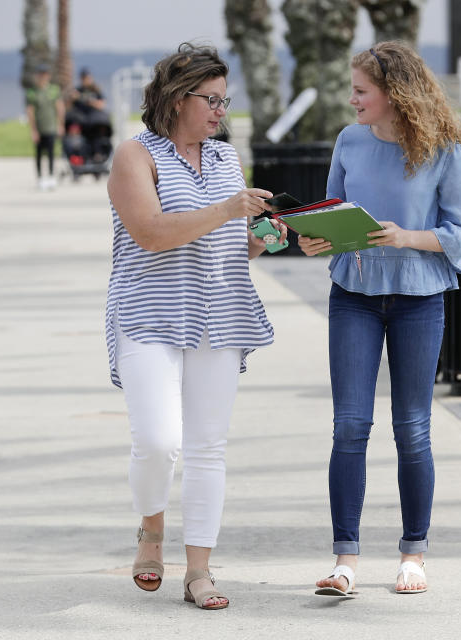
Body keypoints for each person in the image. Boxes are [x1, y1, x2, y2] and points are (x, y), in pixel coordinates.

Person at [105, 42, 286, 610]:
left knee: (208, 448)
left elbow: (234, 245)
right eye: (211, 100)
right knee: (158, 442)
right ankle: (151, 531)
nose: (220, 112)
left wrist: (270, 239)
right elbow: (152, 233)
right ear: (178, 99)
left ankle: (199, 570)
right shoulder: (135, 156)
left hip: (220, 314)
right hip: (148, 315)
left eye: (224, 101)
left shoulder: (227, 159)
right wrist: (229, 211)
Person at [299, 41, 461, 597]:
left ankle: (413, 554)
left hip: (419, 299)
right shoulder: (349, 141)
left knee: (412, 428)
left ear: (393, 94)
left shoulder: (444, 149)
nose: (351, 99)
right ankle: (344, 560)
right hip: (352, 293)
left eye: (360, 90)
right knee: (350, 425)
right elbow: (332, 211)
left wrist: (407, 237)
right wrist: (313, 238)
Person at [25, 64, 64, 191]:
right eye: (40, 75)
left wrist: (60, 124)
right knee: (39, 154)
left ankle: (52, 176)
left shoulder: (53, 90)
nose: (43, 77)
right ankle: (40, 178)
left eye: (45, 75)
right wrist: (33, 130)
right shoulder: (32, 92)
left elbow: (59, 108)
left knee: (51, 153)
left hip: (51, 126)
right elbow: (30, 112)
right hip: (39, 127)